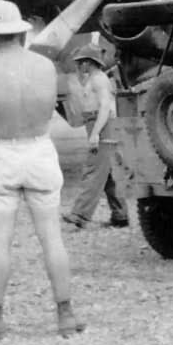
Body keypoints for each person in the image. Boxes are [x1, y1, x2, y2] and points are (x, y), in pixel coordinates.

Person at [0, 0, 84, 338]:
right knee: (52, 238)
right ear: (20, 31)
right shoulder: (45, 66)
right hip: (39, 149)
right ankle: (65, 315)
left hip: (3, 152)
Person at [60, 41, 128, 230]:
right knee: (107, 173)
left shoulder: (98, 80)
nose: (80, 65)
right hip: (97, 123)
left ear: (90, 62)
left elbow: (105, 107)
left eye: (82, 61)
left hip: (102, 124)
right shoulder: (94, 78)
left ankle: (80, 215)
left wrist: (96, 133)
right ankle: (120, 215)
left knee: (93, 170)